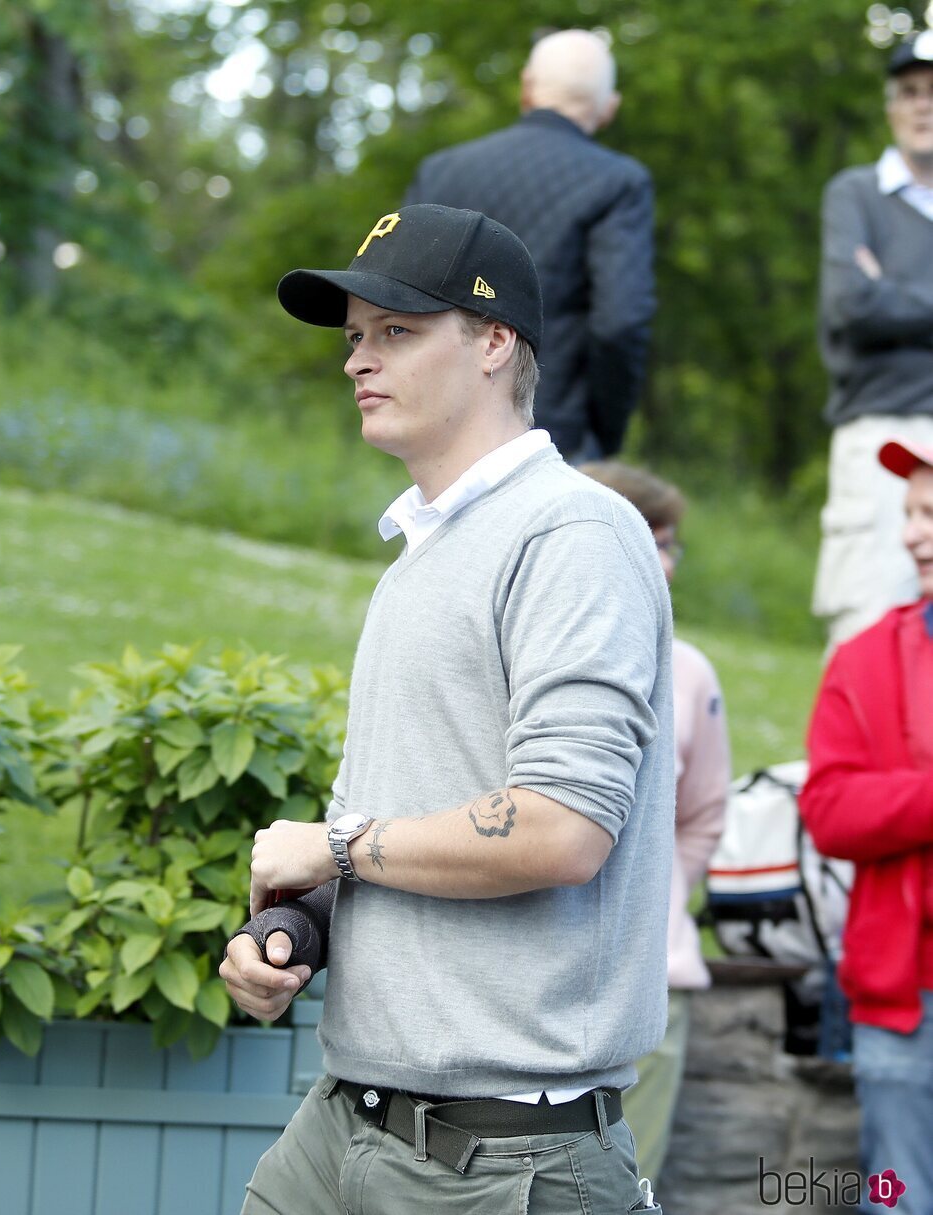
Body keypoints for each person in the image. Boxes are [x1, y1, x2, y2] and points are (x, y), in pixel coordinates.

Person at [219, 203, 673, 1214]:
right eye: (352, 338)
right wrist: (292, 935)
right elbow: (385, 834)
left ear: (493, 342)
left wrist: (332, 850)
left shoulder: (573, 534)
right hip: (347, 1121)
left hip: (502, 1159)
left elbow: (560, 831)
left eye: (395, 331)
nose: (355, 362)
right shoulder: (417, 562)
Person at [579, 461, 730, 1186]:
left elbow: (702, 817)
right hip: (539, 991)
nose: (665, 562)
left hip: (652, 992)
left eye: (671, 544)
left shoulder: (691, 672)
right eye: (651, 538)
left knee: (629, 1189)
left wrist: (661, 908)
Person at [403, 29, 654, 464]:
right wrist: (605, 432)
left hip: (439, 419)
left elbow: (401, 295)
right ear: (609, 107)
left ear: (526, 87)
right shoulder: (619, 183)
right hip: (549, 426)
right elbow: (620, 323)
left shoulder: (441, 172)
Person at [801, 434, 933, 1215]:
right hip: (898, 1010)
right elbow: (829, 810)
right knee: (895, 1199)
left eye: (932, 513)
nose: (913, 532)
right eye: (912, 513)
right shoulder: (862, 658)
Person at [813, 30, 933, 649]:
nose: (923, 105)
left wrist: (896, 295)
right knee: (868, 627)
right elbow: (852, 306)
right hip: (882, 438)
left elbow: (881, 304)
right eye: (910, 92)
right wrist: (874, 298)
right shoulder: (856, 195)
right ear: (891, 105)